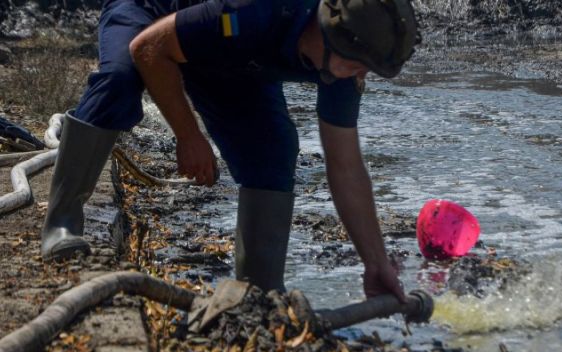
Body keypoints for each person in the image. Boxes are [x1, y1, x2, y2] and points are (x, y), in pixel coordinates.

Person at [41, 0, 419, 302]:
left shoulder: (343, 66)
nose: (360, 76)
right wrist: (189, 137)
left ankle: (258, 291)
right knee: (119, 79)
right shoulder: (255, 11)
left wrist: (376, 261)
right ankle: (62, 222)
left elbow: (346, 166)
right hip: (154, 14)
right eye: (360, 66)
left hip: (231, 58)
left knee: (273, 149)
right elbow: (149, 47)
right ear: (332, 35)